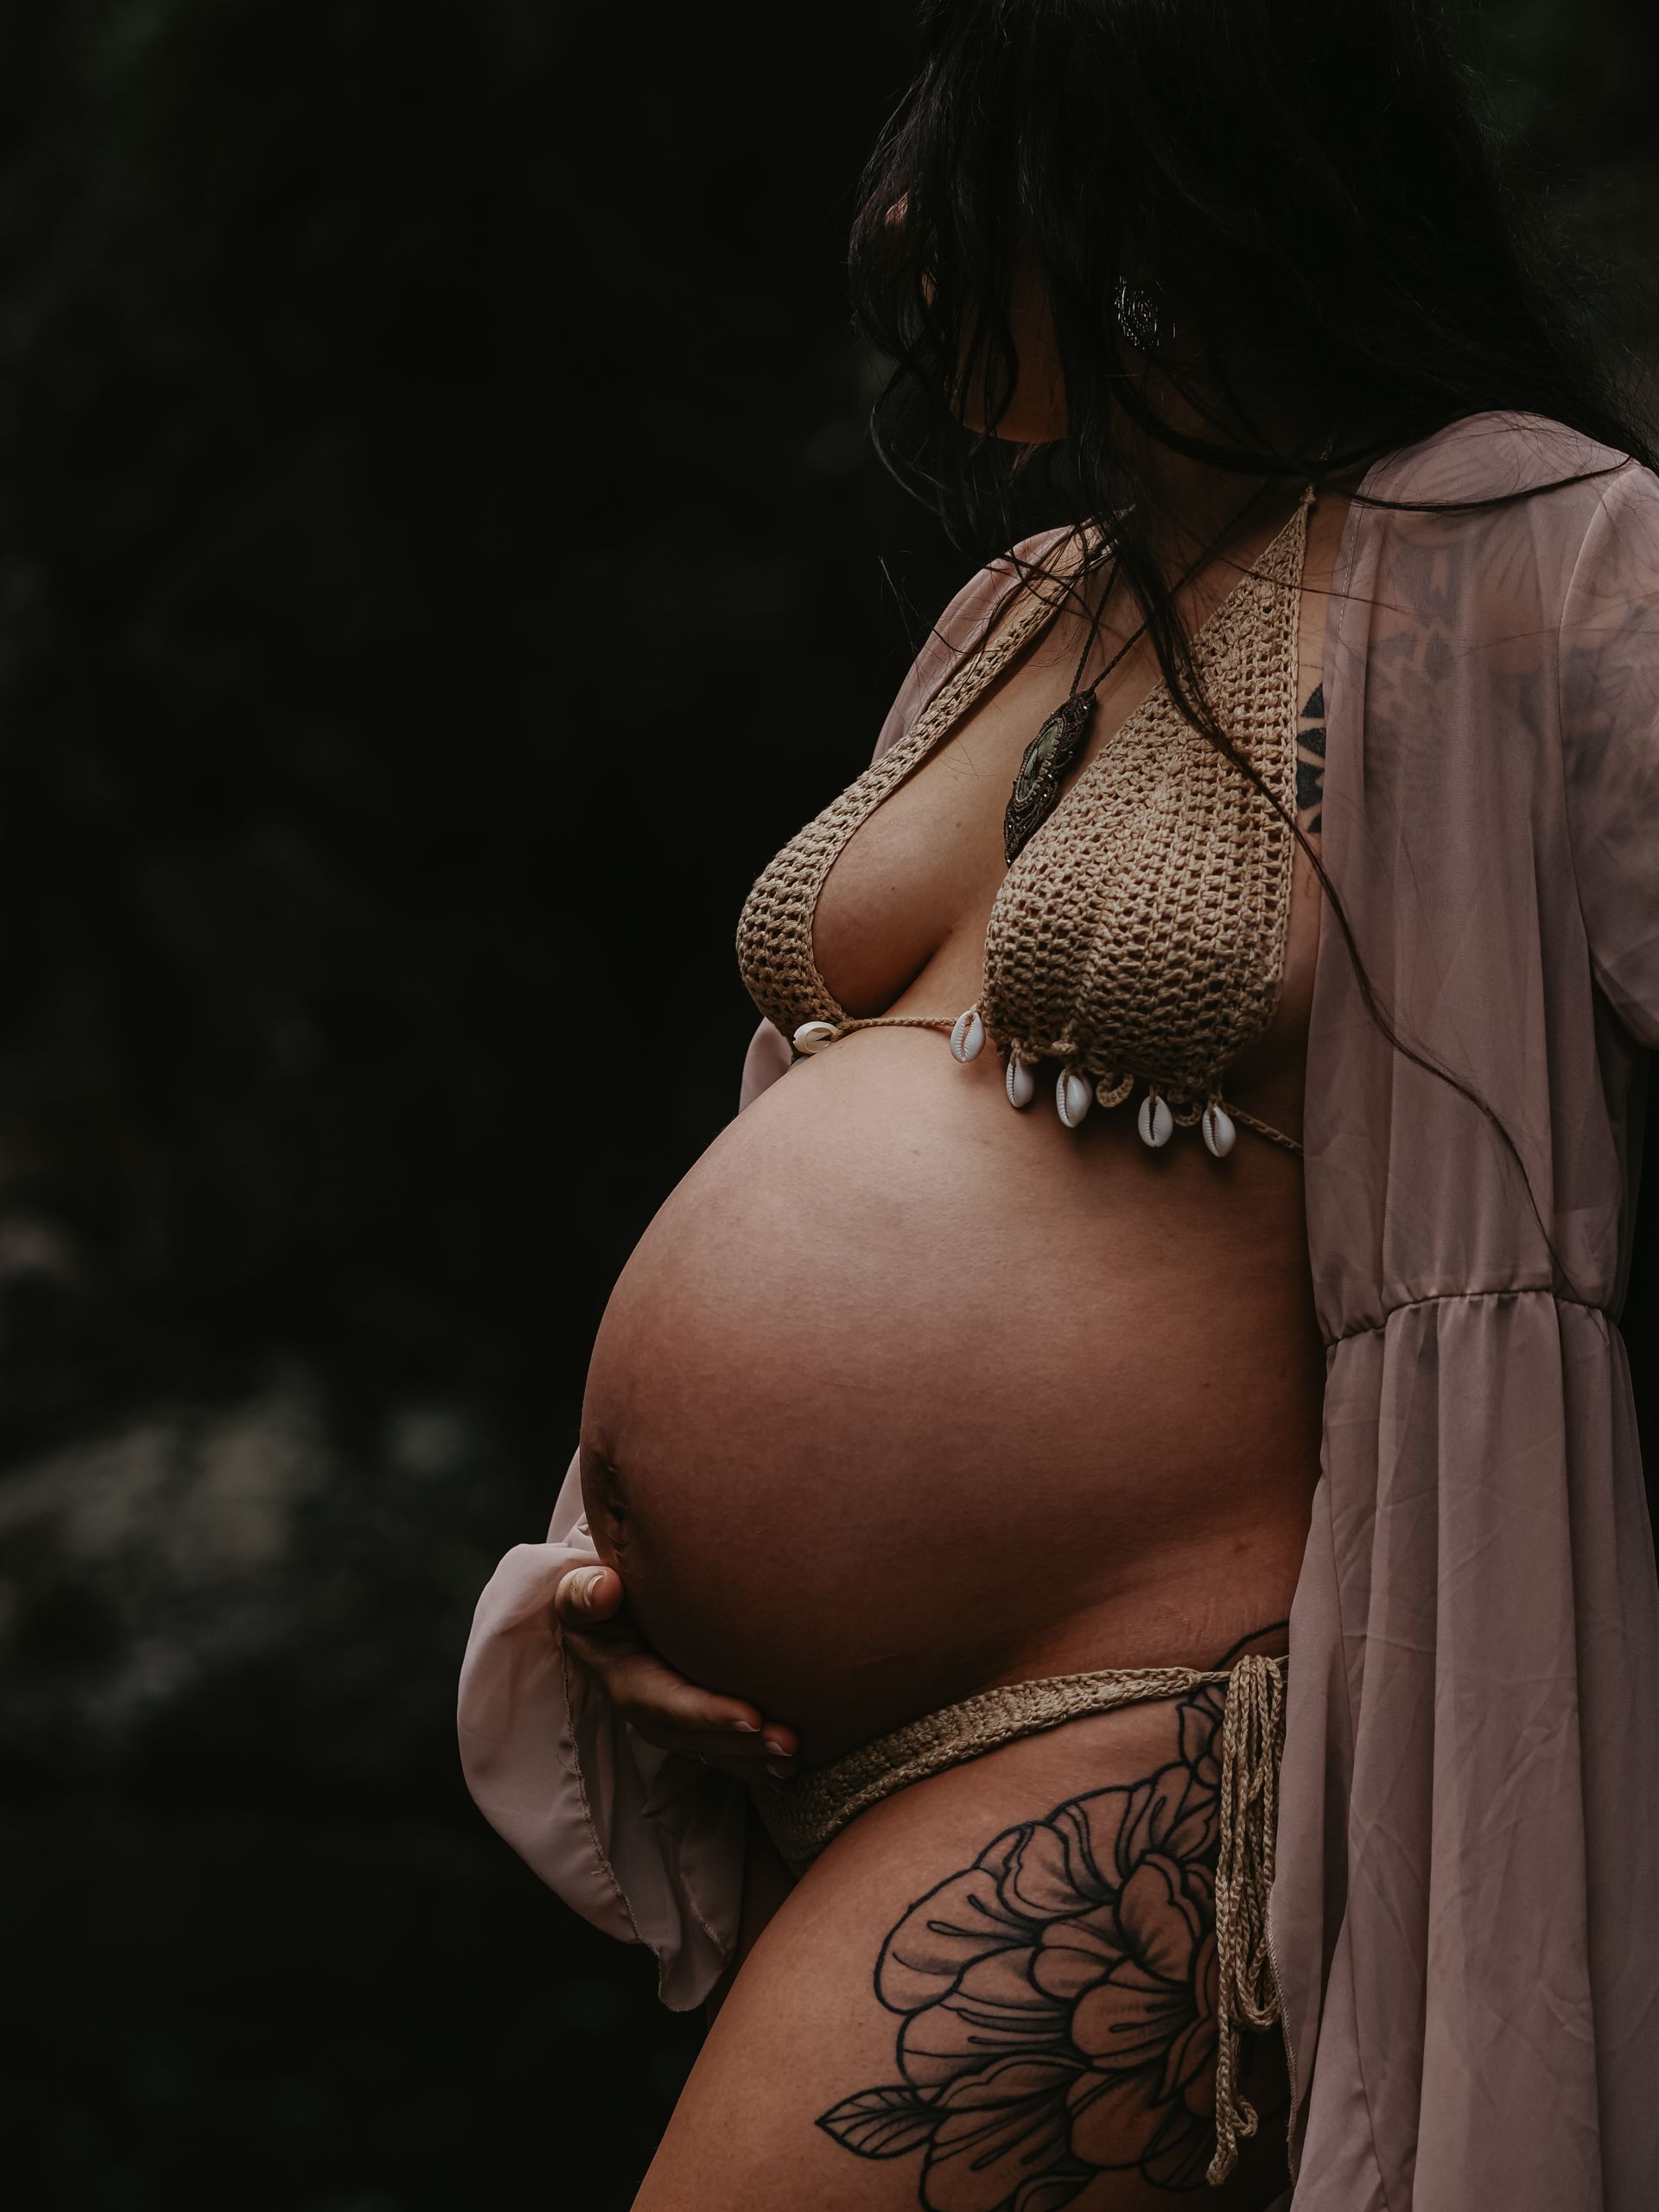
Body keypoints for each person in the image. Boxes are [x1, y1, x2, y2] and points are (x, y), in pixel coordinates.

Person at [457, 4, 1659, 2206]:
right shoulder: (1027, 607)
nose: (898, 219)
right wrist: (637, 1565)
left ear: (1160, 178)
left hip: (1152, 1744)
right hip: (819, 1751)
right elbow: (843, 1110)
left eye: (963, 148)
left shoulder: (1539, 563)